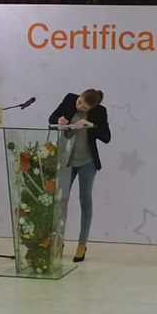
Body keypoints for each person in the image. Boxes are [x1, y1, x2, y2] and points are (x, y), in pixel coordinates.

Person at [48, 89, 111, 262]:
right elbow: (52, 118)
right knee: (60, 200)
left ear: (92, 107)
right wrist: (59, 120)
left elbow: (106, 137)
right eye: (80, 102)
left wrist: (91, 125)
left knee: (85, 200)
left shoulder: (100, 112)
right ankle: (58, 240)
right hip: (66, 159)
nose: (79, 106)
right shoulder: (70, 99)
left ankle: (82, 244)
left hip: (87, 162)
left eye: (84, 107)